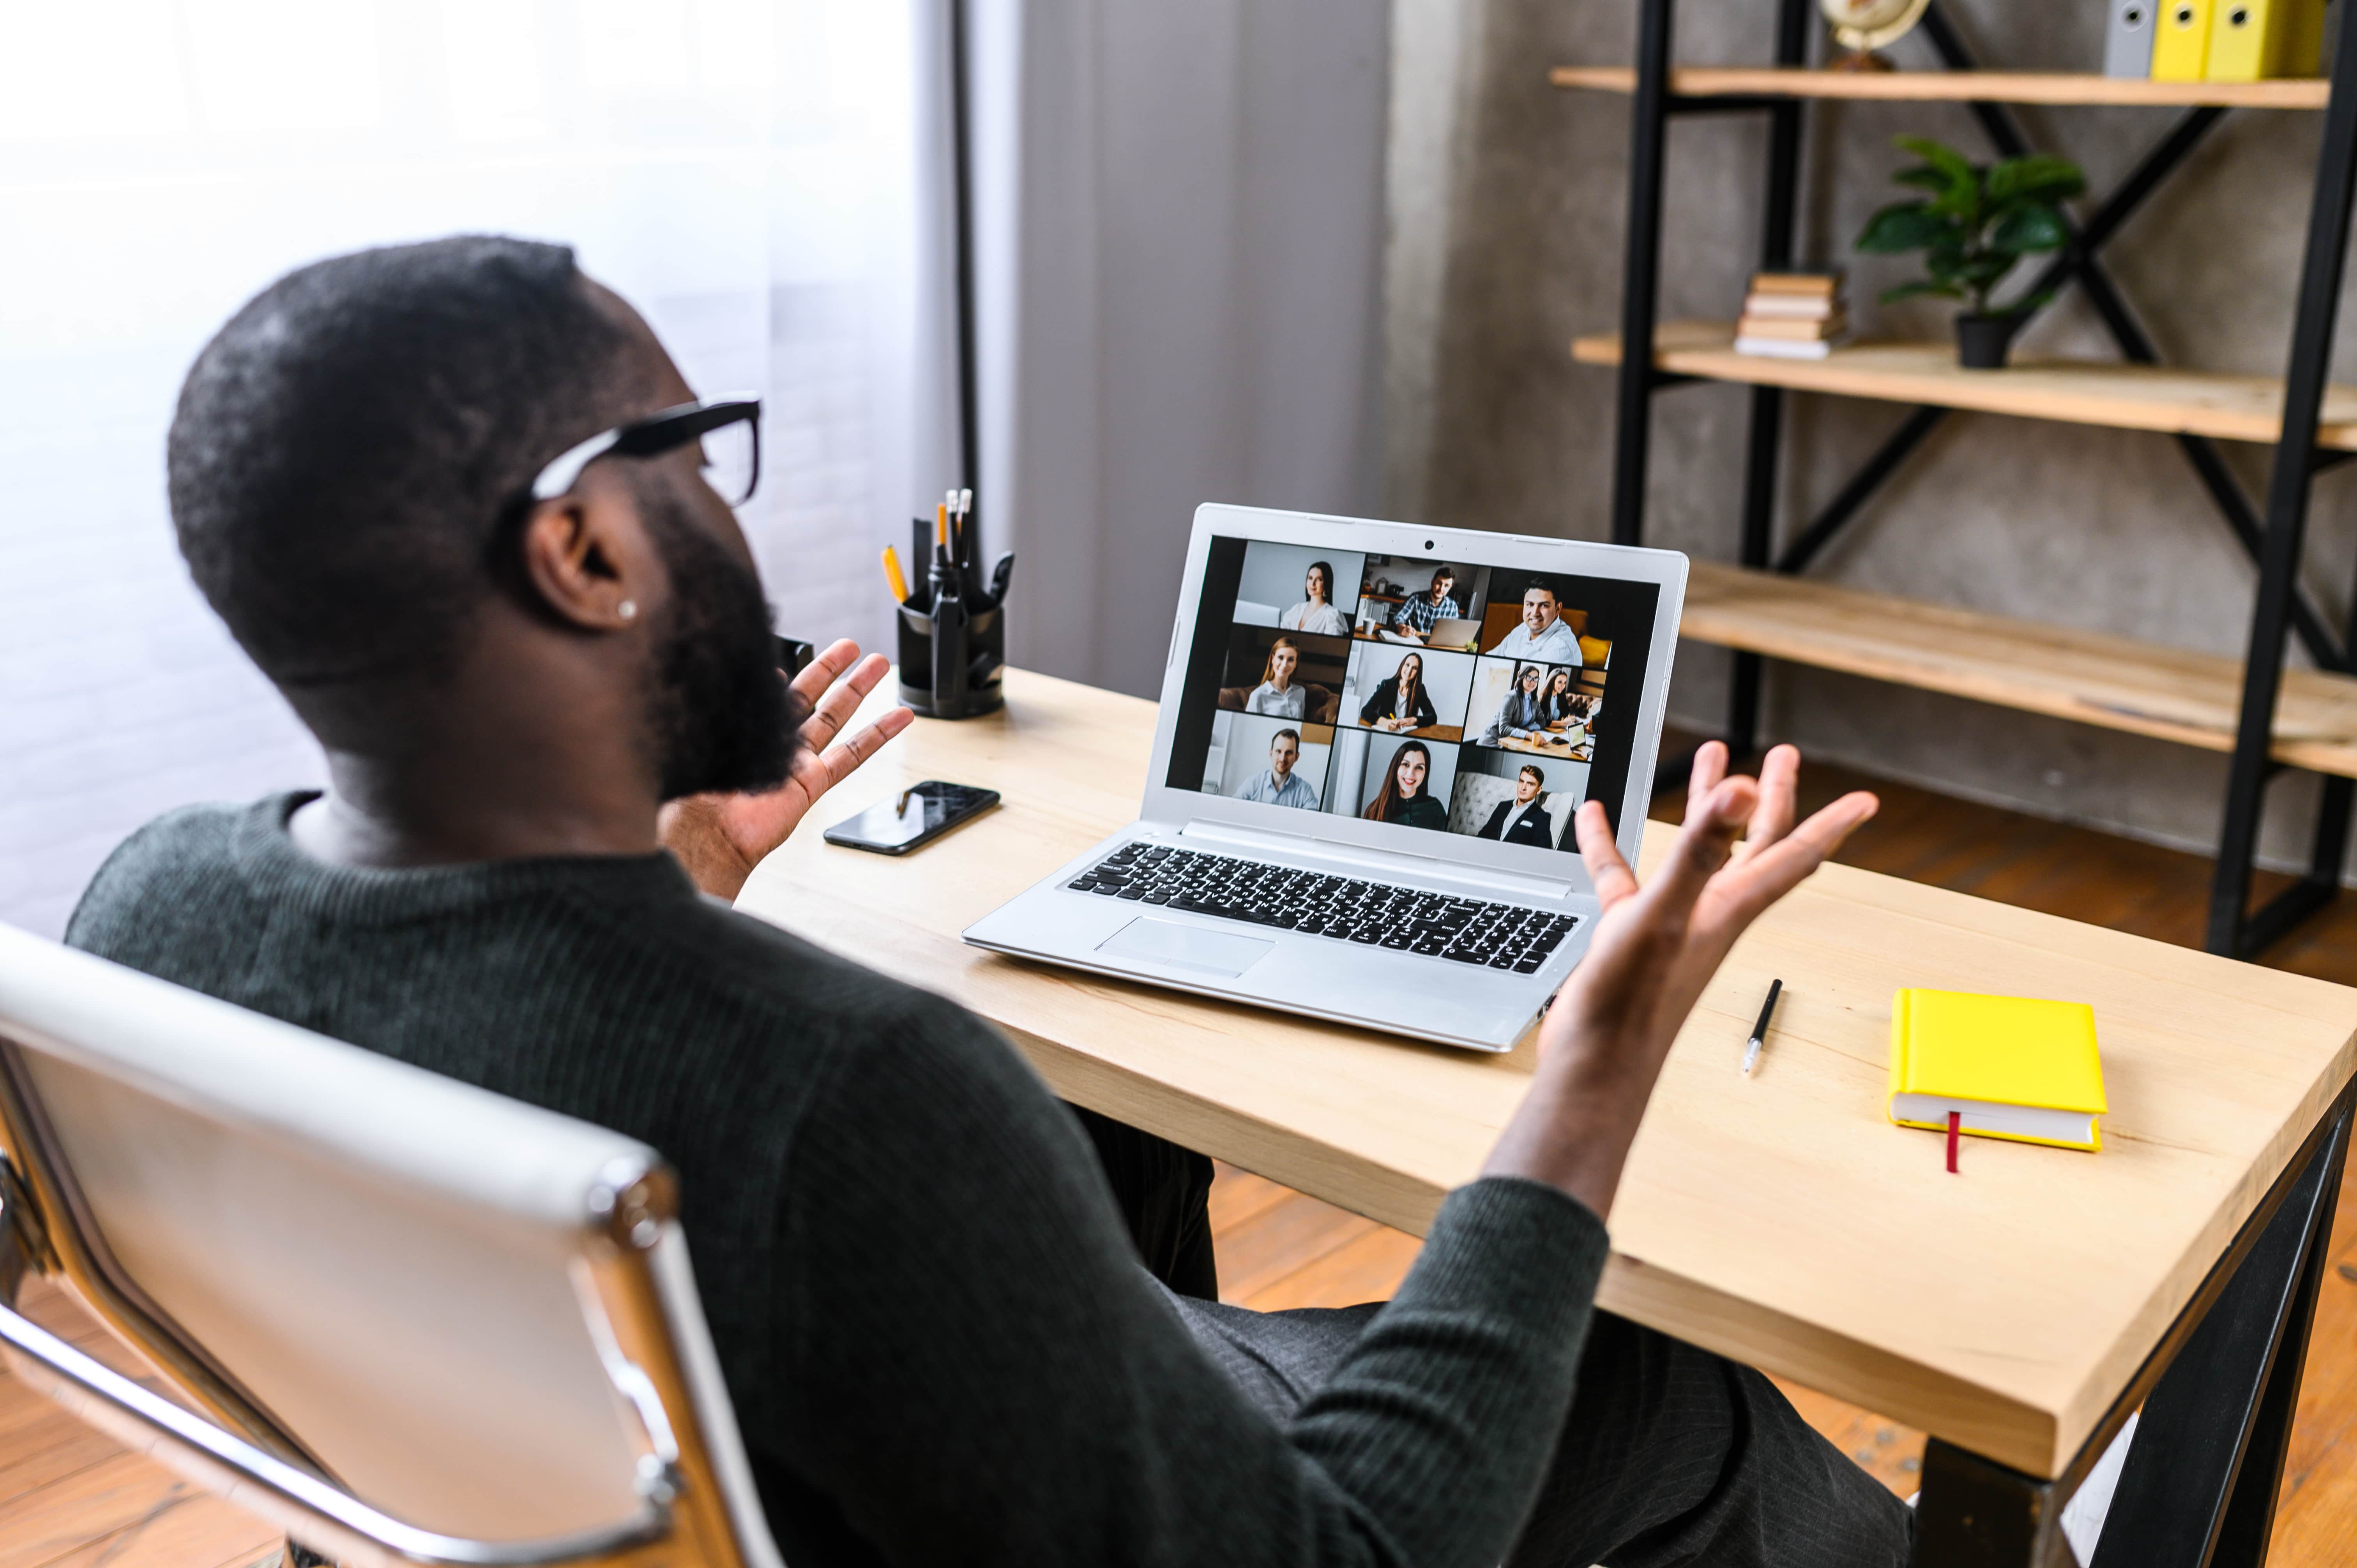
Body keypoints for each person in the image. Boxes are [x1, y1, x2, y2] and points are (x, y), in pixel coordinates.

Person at [67, 237, 1908, 1568]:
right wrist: (1598, 1057)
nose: (723, 508)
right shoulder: (845, 1093)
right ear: (586, 550)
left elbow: (543, 1026)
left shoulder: (150, 915)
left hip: (637, 1488)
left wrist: (686, 873)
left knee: (1105, 1134)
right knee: (1674, 1384)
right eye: (693, 459)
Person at [1359, 740, 1450, 831]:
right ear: (1396, 768)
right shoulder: (1374, 810)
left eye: (1419, 768)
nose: (1411, 773)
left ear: (1425, 773)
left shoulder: (1436, 809)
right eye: (1406, 765)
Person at [1488, 583, 1584, 665]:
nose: (1535, 613)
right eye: (1530, 604)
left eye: (1544, 605)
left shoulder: (1560, 648)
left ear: (1558, 609)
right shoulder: (1523, 628)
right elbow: (1489, 660)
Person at [1231, 727, 1320, 809]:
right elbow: (1232, 810)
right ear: (1271, 754)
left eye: (1288, 753)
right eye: (1278, 751)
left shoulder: (1305, 791)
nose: (1282, 759)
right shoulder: (1252, 784)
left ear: (1297, 757)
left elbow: (1312, 820)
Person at [1357, 649, 1438, 733]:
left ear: (1418, 673)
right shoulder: (1387, 685)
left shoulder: (1419, 690)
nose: (1409, 671)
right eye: (1408, 665)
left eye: (1415, 668)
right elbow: (1365, 711)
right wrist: (1384, 722)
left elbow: (1433, 717)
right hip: (1385, 732)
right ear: (1402, 665)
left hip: (1407, 733)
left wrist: (1414, 720)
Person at [1479, 765, 1559, 848]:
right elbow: (1483, 835)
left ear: (1539, 790)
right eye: (1521, 781)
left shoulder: (1542, 817)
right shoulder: (1503, 806)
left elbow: (1542, 852)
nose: (1523, 788)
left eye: (1530, 784)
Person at [1386, 563, 1463, 642]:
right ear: (1432, 582)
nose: (1441, 589)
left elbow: (1453, 632)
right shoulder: (1415, 598)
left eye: (1446, 586)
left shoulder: (1453, 607)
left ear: (1450, 588)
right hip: (1414, 642)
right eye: (1439, 583)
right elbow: (1397, 618)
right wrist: (1402, 628)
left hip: (1436, 646)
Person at [1482, 663, 1552, 746]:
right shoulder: (1510, 698)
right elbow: (1504, 729)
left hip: (1514, 741)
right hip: (1494, 741)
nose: (1532, 682)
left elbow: (1542, 721)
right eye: (1529, 678)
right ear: (1521, 678)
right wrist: (1529, 735)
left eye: (1536, 679)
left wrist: (1527, 729)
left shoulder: (1534, 699)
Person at [1278, 560, 1349, 636]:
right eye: (1310, 578)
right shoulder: (1297, 609)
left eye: (1319, 579)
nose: (1313, 584)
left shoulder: (1332, 615)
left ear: (1327, 583)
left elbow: (1332, 643)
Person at [1244, 636, 1307, 718]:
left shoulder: (1301, 692)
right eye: (1281, 658)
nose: (1284, 665)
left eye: (1291, 660)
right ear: (1273, 659)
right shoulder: (1258, 695)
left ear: (1296, 664)